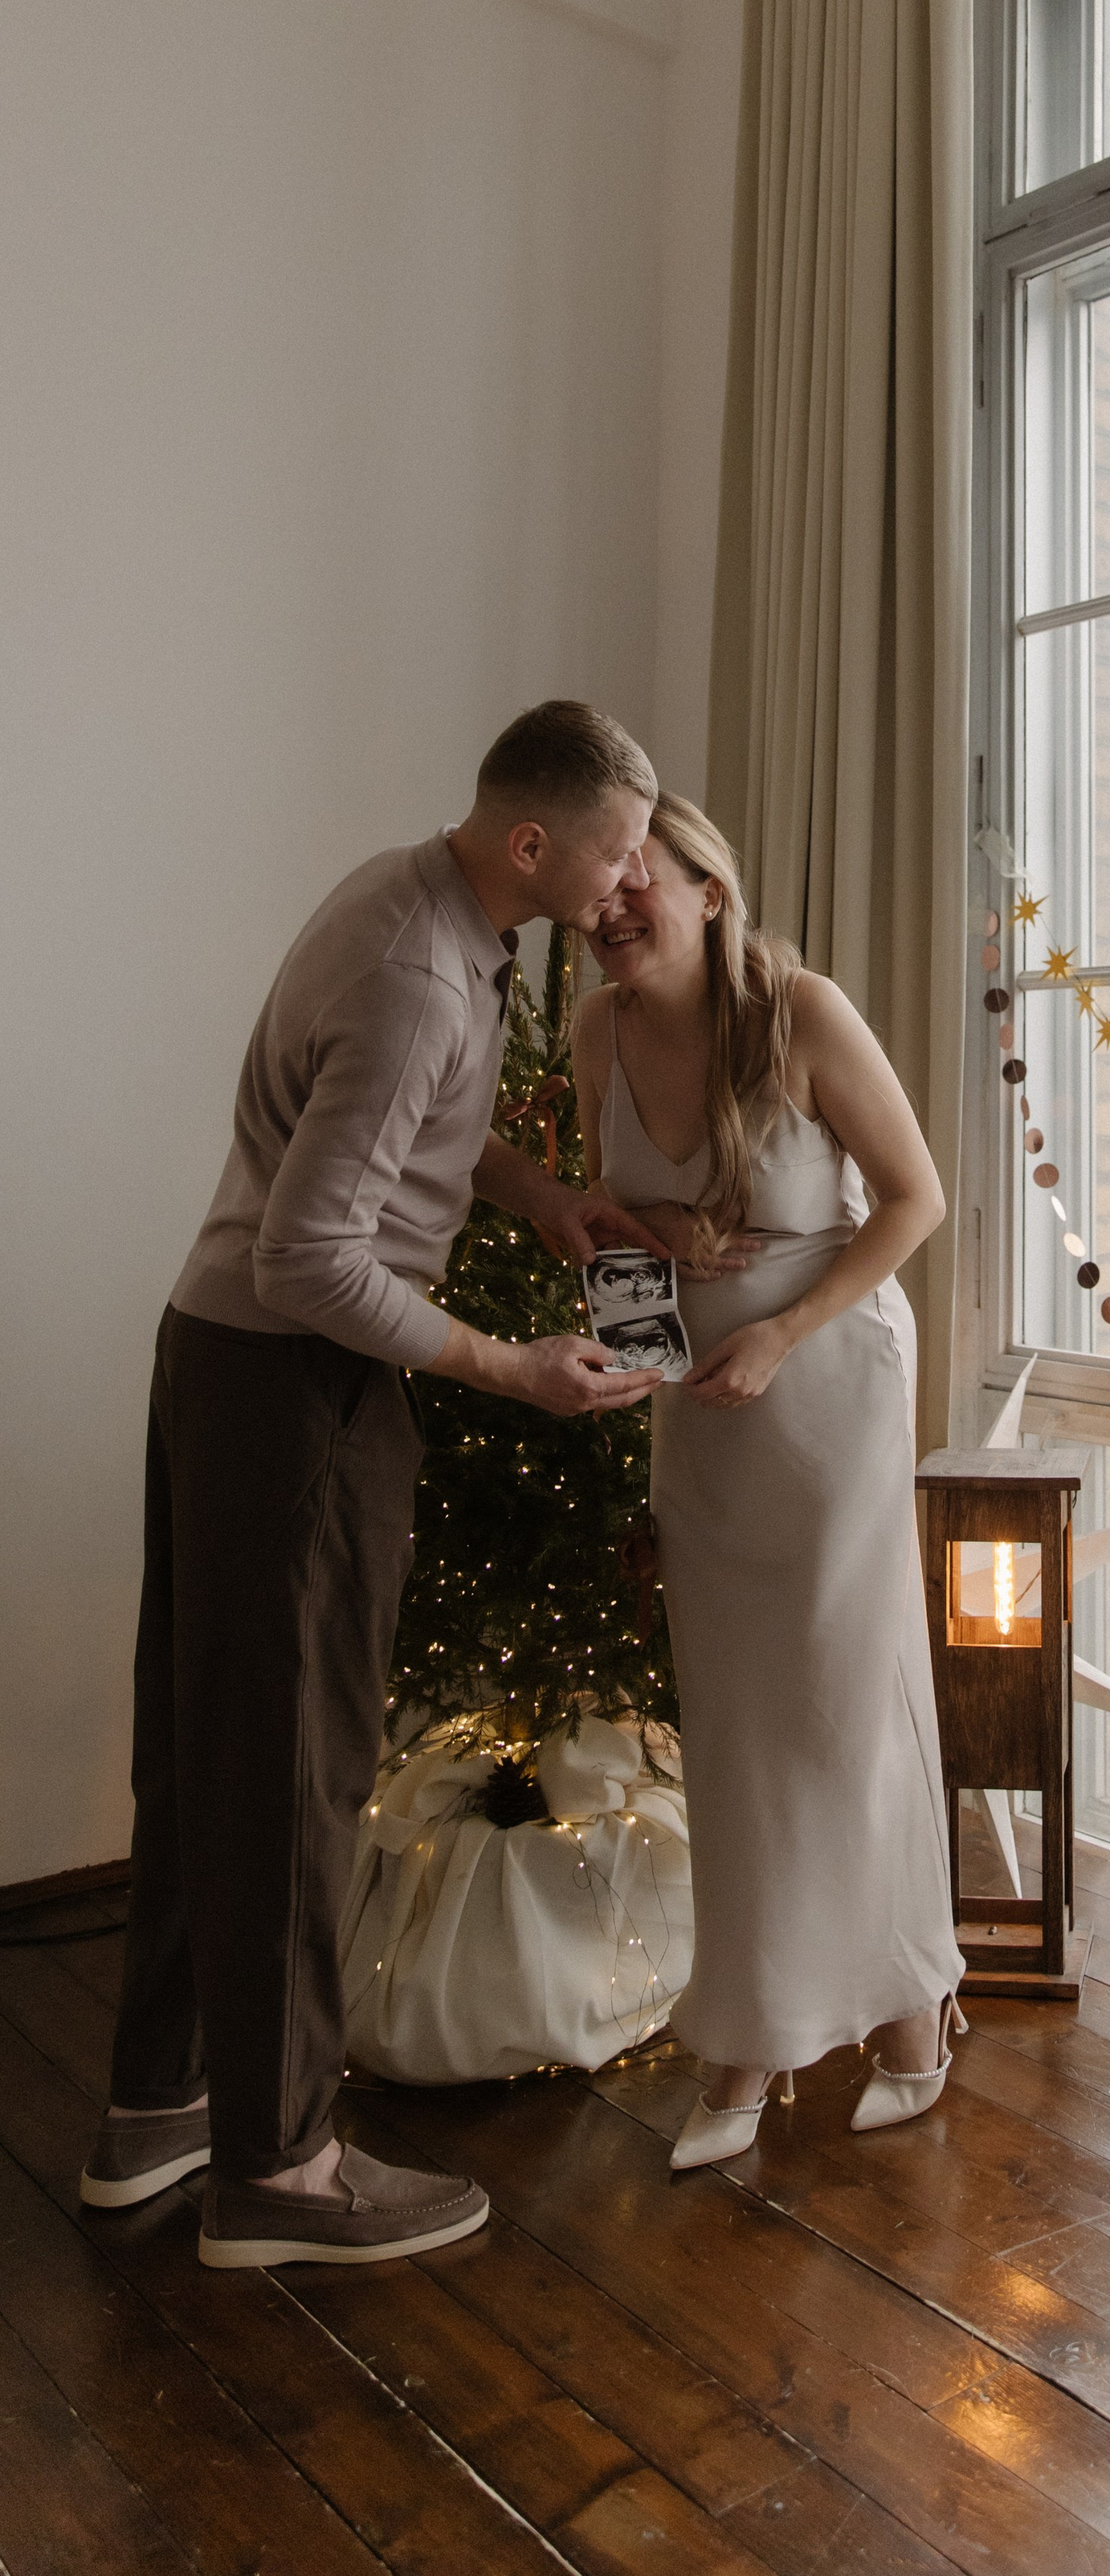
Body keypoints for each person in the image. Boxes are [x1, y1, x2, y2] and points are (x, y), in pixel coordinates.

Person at [84, 700, 675, 2267]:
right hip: (290, 1389)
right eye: (619, 851)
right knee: (287, 1770)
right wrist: (508, 1365)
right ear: (536, 843)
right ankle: (277, 2175)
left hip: (226, 1370)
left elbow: (412, 1124)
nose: (633, 885)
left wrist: (537, 1192)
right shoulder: (425, 973)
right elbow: (308, 1258)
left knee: (203, 1748)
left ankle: (160, 2110)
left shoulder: (423, 904)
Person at [570, 793, 965, 2169]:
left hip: (828, 1384)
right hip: (698, 1408)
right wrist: (646, 1280)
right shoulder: (594, 1031)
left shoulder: (800, 1012)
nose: (613, 903)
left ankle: (881, 2017)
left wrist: (785, 1335)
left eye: (642, 879)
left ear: (710, 888)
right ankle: (780, 2029)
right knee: (738, 1728)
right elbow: (602, 1226)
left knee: (844, 1711)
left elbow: (917, 1197)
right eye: (601, 881)